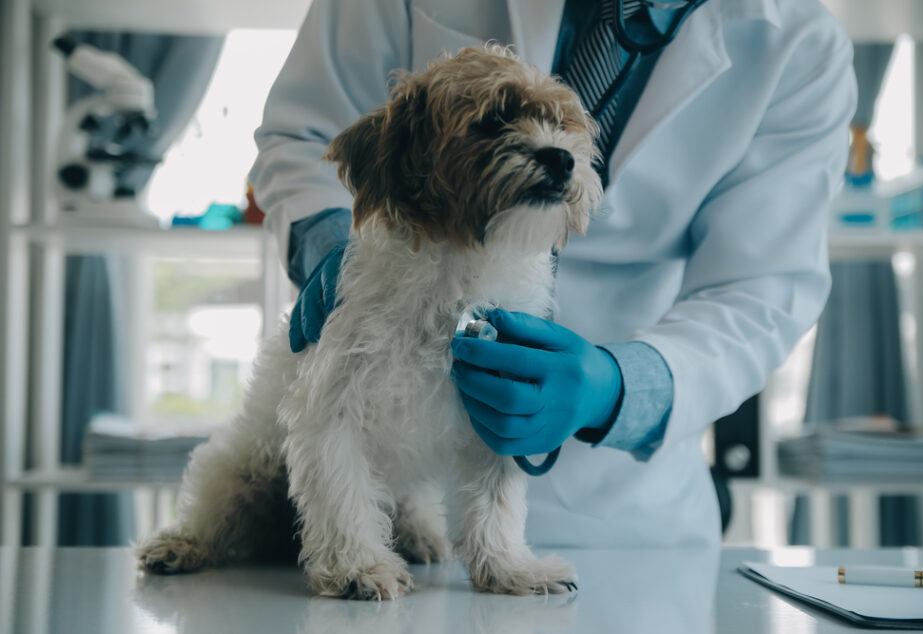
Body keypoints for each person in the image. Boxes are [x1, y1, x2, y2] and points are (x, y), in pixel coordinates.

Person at [248, 0, 856, 549]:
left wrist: (616, 388)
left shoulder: (799, 42)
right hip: (387, 483)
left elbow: (758, 291)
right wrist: (332, 243)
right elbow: (307, 133)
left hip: (619, 515)